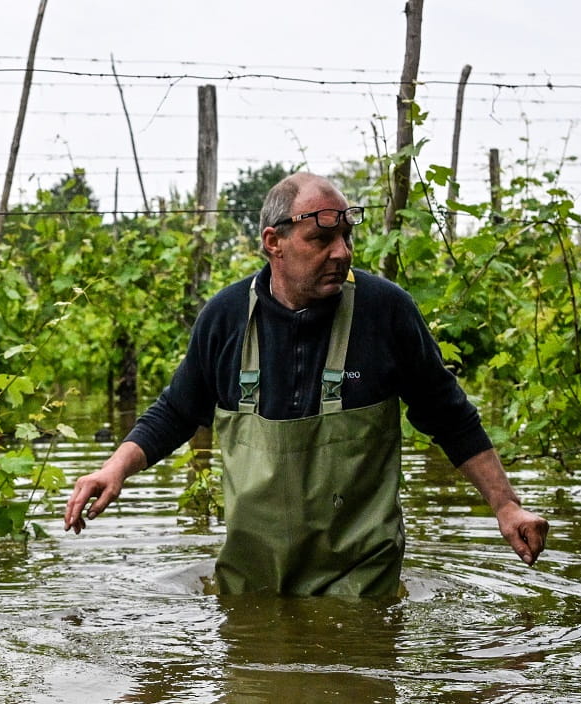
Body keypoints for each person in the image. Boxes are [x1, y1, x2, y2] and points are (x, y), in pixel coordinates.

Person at [62, 171, 548, 597]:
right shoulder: (226, 318)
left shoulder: (385, 312)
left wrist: (507, 506)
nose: (342, 252)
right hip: (252, 580)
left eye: (347, 237)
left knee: (360, 661)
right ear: (274, 242)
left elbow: (449, 415)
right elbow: (177, 411)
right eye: (322, 239)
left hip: (362, 581)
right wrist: (114, 469)